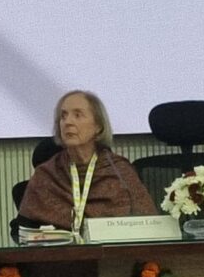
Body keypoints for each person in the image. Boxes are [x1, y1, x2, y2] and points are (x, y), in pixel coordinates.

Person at [18, 89, 156, 231]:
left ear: (98, 126)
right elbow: (22, 230)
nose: (67, 122)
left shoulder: (120, 171)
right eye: (63, 116)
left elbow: (149, 224)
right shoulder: (46, 174)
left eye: (77, 115)